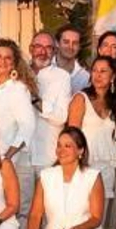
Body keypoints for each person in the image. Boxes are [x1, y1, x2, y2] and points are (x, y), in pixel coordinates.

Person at [24, 126, 107, 229]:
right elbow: (35, 214)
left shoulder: (92, 176)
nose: (61, 150)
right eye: (59, 145)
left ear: (80, 150)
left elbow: (97, 218)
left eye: (68, 146)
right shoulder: (46, 176)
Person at [66, 54, 116, 229]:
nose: (97, 75)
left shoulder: (115, 104)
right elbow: (71, 137)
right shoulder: (80, 98)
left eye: (103, 71)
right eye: (95, 70)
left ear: (113, 76)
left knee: (101, 218)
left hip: (106, 167)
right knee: (80, 214)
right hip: (84, 166)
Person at [0, 39, 37, 213]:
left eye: (8, 58)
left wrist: (7, 156)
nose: (3, 61)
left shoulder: (18, 88)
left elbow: (27, 126)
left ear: (14, 62)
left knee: (8, 208)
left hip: (5, 160)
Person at [29, 32, 73, 174]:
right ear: (30, 48)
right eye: (38, 46)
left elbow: (61, 117)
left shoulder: (62, 77)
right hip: (20, 155)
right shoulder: (18, 73)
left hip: (47, 157)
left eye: (48, 48)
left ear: (54, 51)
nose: (43, 52)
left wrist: (36, 101)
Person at [55, 24, 90, 92]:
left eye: (75, 43)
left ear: (79, 47)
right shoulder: (45, 68)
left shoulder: (85, 78)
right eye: (66, 42)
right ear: (57, 43)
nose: (70, 47)